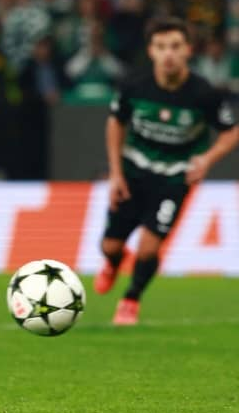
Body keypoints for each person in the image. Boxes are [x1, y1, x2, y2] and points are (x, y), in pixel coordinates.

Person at [95, 17, 237, 325]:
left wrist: (207, 159)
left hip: (174, 177)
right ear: (151, 51)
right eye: (161, 47)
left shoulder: (203, 93)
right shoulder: (135, 84)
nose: (168, 54)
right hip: (134, 171)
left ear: (188, 50)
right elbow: (115, 122)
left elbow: (231, 130)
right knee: (110, 245)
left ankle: (131, 299)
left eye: (175, 46)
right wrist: (116, 173)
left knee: (149, 246)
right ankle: (113, 263)